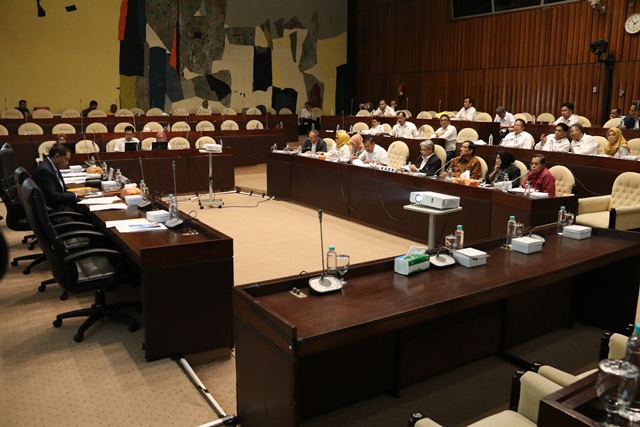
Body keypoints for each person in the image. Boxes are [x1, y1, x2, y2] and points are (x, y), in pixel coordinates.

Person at [32, 143, 86, 214]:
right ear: (57, 156)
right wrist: (75, 195)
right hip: (54, 211)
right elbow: (53, 197)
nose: (67, 163)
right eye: (66, 159)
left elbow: (61, 191)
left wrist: (74, 194)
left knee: (81, 209)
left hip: (58, 206)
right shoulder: (44, 171)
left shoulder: (52, 166)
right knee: (86, 214)